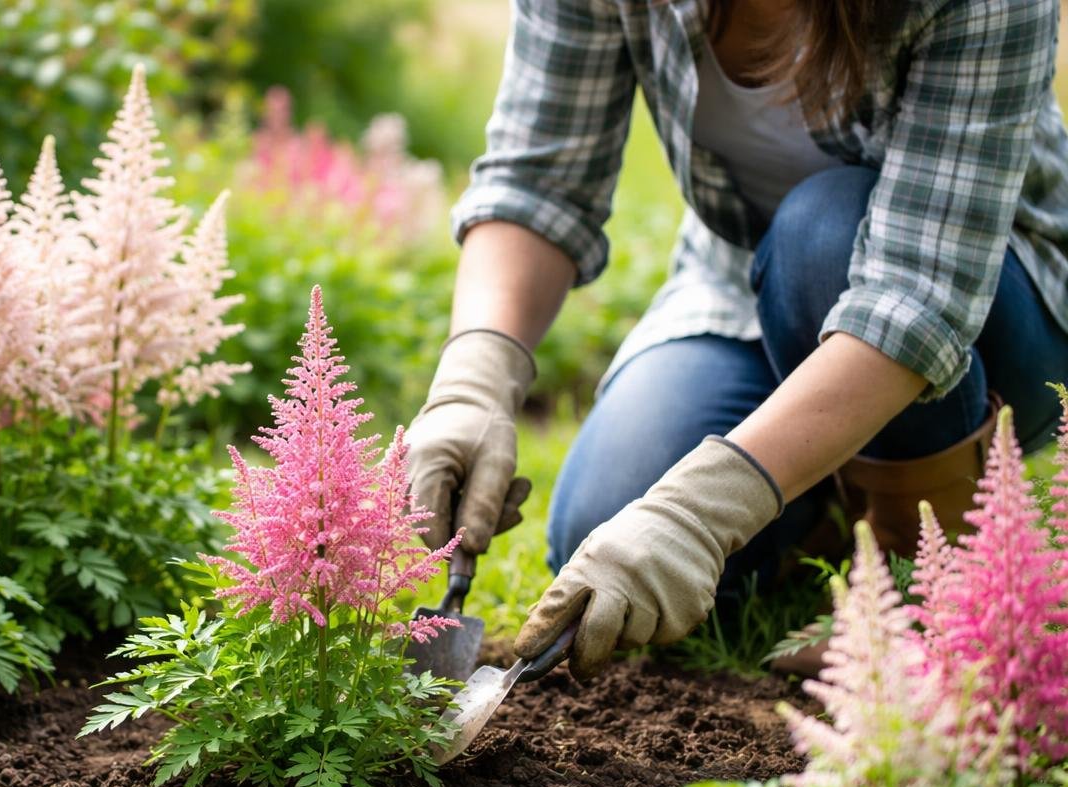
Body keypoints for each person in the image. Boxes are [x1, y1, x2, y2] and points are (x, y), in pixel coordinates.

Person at [406, 0, 1068, 679]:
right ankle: (826, 492)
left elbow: (916, 300)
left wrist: (702, 513)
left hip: (984, 299)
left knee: (818, 233)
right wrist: (475, 379)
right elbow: (536, 183)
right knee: (603, 528)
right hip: (738, 283)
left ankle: (926, 581)